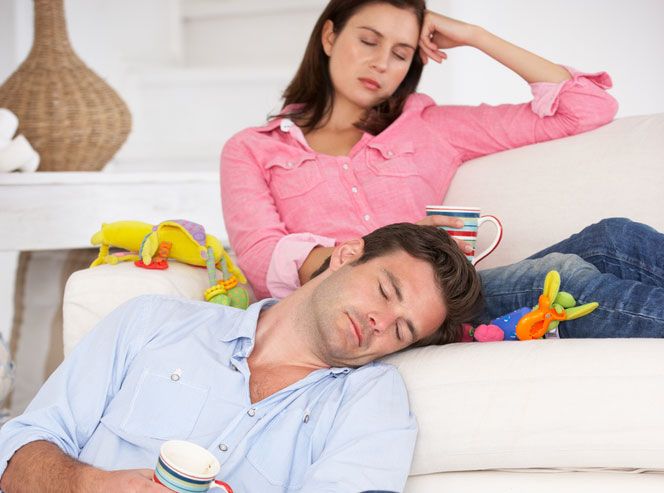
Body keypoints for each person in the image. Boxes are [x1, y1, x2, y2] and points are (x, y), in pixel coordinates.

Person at [220, 0, 664, 337]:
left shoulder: (430, 127)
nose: (381, 63)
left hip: (455, 289)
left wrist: (476, 35)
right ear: (331, 37)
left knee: (615, 237)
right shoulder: (251, 149)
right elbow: (262, 261)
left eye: (401, 52)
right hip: (393, 311)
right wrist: (395, 243)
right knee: (563, 279)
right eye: (368, 41)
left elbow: (585, 107)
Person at [0, 223, 482, 493]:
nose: (380, 321)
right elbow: (19, 445)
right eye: (385, 290)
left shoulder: (371, 402)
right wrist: (88, 485)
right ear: (346, 254)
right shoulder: (153, 323)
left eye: (402, 330)